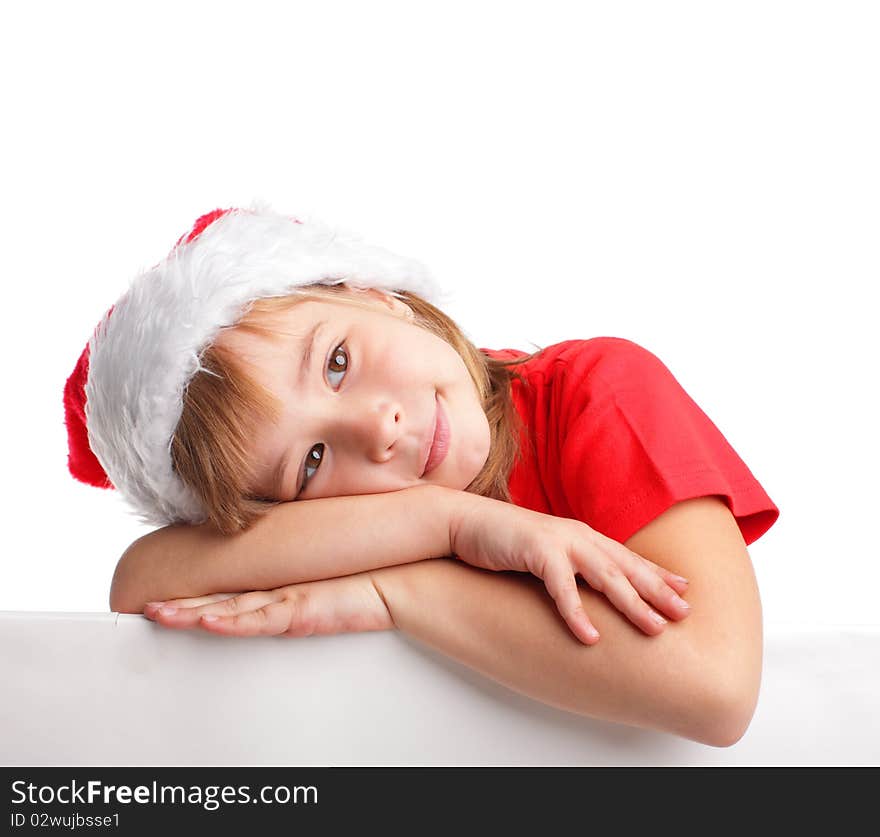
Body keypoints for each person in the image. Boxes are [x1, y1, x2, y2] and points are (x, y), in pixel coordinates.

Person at [64, 203, 779, 746]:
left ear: (372, 292)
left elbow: (716, 685)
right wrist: (450, 522)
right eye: (311, 462)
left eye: (336, 361)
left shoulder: (596, 392)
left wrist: (397, 589)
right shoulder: (366, 516)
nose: (377, 428)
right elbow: (143, 579)